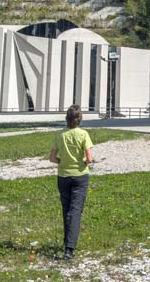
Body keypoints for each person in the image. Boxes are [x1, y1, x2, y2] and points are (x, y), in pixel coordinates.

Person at [49, 104, 94, 260]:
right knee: (75, 212)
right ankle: (69, 248)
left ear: (66, 119)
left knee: (66, 209)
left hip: (63, 176)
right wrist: (82, 162)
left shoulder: (60, 135)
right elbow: (89, 158)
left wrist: (62, 161)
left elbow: (52, 158)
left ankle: (66, 242)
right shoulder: (83, 134)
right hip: (80, 176)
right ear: (79, 119)